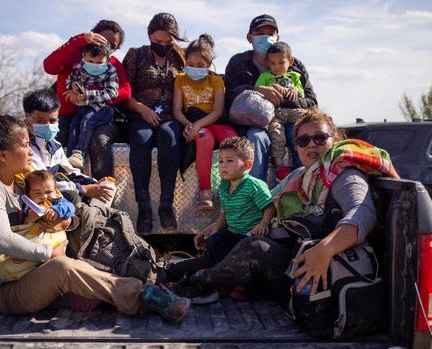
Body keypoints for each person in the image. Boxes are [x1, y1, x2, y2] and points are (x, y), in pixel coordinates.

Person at [0, 114, 190, 322]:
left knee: (86, 217)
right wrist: (49, 253)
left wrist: (64, 221)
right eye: (26, 145)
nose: (31, 152)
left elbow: (64, 205)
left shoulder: (21, 179)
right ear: (3, 155)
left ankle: (143, 271)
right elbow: (1, 241)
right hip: (3, 289)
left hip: (28, 270)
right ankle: (142, 296)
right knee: (62, 267)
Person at [171, 109, 398, 307]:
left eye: (319, 138)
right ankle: (165, 274)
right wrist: (215, 227)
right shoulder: (301, 175)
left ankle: (200, 284)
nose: (311, 145)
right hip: (285, 251)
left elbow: (363, 214)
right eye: (303, 141)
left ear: (334, 140)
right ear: (296, 146)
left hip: (310, 268)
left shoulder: (343, 175)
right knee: (221, 242)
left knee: (253, 246)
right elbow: (267, 202)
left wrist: (325, 250)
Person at [166, 137, 273, 291]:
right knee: (215, 241)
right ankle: (218, 277)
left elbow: (269, 207)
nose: (223, 166)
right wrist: (213, 232)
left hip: (249, 238)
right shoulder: (223, 187)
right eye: (221, 161)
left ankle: (227, 281)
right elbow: (226, 214)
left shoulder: (254, 185)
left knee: (223, 250)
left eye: (229, 161)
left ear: (248, 164)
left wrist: (263, 223)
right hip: (233, 235)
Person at [224, 14, 318, 182]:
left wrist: (288, 95)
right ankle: (255, 197)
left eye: (270, 33)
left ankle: (304, 189)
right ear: (249, 37)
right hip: (254, 125)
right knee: (256, 138)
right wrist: (258, 91)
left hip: (289, 120)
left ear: (277, 37)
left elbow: (312, 103)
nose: (265, 37)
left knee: (300, 134)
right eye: (259, 33)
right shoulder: (238, 62)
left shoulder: (294, 65)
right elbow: (229, 97)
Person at [122, 13, 186, 233]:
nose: (163, 46)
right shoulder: (136, 55)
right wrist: (142, 109)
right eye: (158, 42)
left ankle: (166, 205)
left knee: (170, 137)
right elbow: (123, 93)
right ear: (149, 36)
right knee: (141, 139)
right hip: (140, 113)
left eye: (168, 42)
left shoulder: (180, 57)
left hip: (171, 115)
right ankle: (144, 207)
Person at [43, 20, 130, 179]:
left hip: (96, 112)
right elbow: (49, 66)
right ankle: (57, 188)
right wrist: (79, 40)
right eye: (102, 39)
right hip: (65, 114)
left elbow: (124, 91)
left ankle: (102, 192)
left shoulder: (111, 65)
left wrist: (87, 96)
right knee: (56, 139)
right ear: (92, 36)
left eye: (112, 45)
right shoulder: (75, 55)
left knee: (98, 140)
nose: (105, 45)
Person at [172, 33, 237, 210]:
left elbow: (217, 111)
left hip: (213, 121)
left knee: (230, 139)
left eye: (200, 65)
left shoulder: (216, 81)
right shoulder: (180, 79)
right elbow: (177, 110)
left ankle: (231, 188)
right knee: (203, 138)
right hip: (193, 122)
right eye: (190, 65)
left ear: (208, 65)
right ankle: (205, 191)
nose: (194, 68)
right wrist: (188, 125)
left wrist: (197, 125)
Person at [22, 88, 113, 206]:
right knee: (72, 197)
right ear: (27, 119)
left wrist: (93, 183)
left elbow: (70, 172)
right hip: (37, 197)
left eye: (52, 120)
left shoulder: (55, 146)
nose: (47, 126)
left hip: (53, 190)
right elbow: (42, 181)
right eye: (40, 121)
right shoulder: (26, 147)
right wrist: (82, 189)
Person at [255, 42, 310, 180]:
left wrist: (294, 90)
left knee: (306, 125)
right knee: (277, 135)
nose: (277, 67)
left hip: (293, 111)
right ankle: (280, 166)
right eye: (272, 64)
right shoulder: (265, 77)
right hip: (275, 113)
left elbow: (302, 93)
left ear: (290, 61)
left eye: (281, 63)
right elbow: (256, 91)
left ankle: (307, 167)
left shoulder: (295, 76)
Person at [65, 43, 118, 168]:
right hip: (81, 107)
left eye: (99, 62)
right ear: (83, 56)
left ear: (108, 59)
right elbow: (70, 80)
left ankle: (80, 152)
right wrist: (72, 86)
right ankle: (70, 159)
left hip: (102, 109)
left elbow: (112, 93)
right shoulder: (78, 68)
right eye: (90, 61)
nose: (94, 64)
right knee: (74, 127)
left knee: (87, 121)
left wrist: (88, 95)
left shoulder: (111, 71)